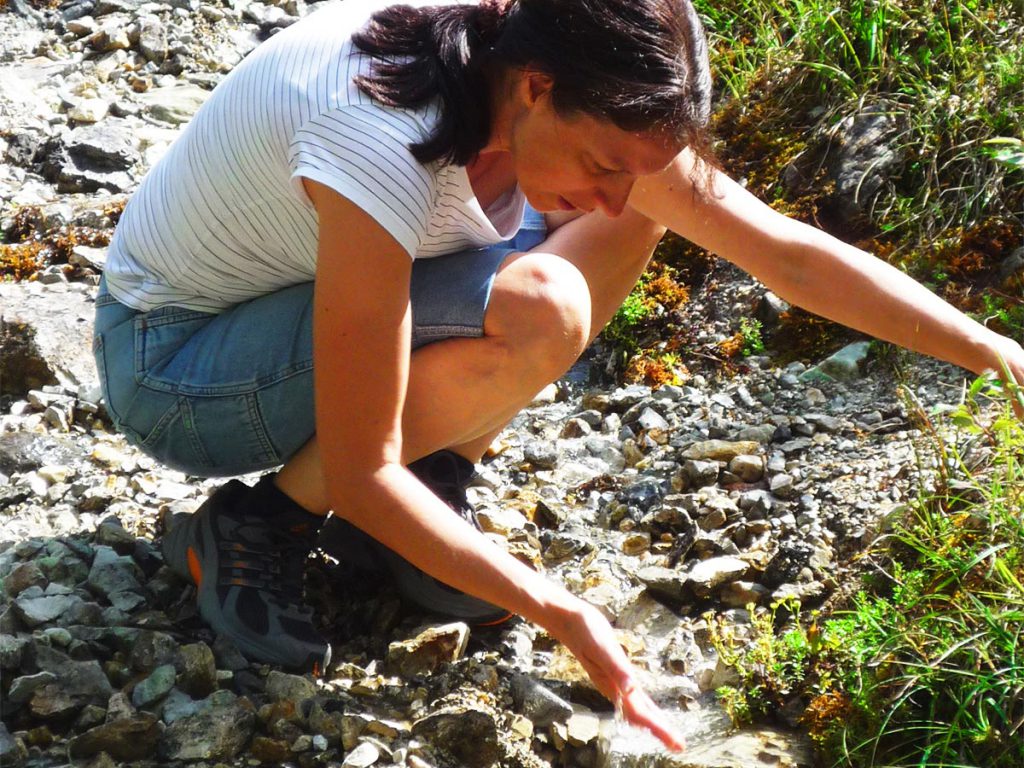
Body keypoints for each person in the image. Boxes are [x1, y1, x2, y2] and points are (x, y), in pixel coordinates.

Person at [92, 0, 1024, 750]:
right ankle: (262, 522)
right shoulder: (376, 128)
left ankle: (437, 481)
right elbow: (364, 466)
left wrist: (997, 353)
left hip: (295, 306)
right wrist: (557, 606)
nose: (615, 189)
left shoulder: (533, 70)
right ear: (537, 87)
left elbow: (789, 257)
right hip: (174, 362)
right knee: (542, 303)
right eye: (603, 161)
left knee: (637, 222)